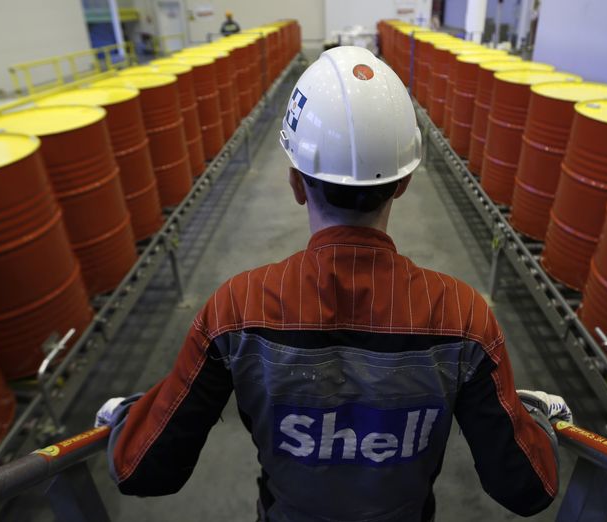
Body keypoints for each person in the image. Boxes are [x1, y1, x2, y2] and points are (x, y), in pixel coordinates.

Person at [95, 46, 572, 521]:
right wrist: (539, 420)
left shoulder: (234, 311)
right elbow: (527, 487)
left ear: (295, 183)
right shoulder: (463, 318)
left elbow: (143, 469)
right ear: (403, 183)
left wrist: (123, 418)